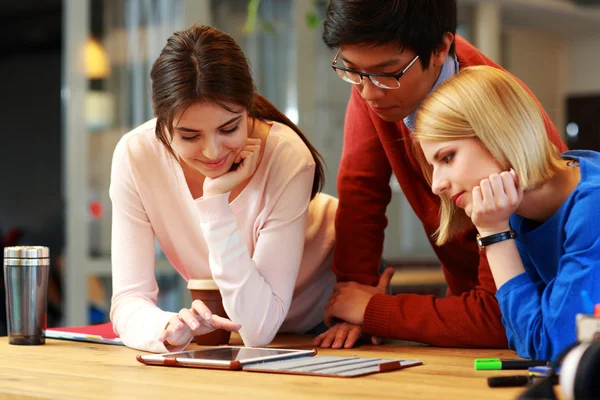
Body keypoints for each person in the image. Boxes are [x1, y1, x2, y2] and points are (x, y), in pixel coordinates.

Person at [315, 0, 567, 349]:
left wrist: (374, 310)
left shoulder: (499, 116)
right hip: (468, 308)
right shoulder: (377, 81)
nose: (368, 93)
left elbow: (504, 317)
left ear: (440, 48)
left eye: (387, 73)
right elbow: (361, 191)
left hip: (530, 318)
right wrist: (352, 298)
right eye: (353, 70)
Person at [109, 25, 337, 353]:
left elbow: (259, 329)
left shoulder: (286, 156)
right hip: (245, 335)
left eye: (229, 128)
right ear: (162, 122)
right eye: (189, 136)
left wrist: (215, 201)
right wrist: (166, 328)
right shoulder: (136, 155)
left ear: (247, 110)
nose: (213, 152)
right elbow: (129, 300)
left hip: (322, 320)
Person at [412, 65, 600, 361]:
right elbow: (520, 334)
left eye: (447, 157)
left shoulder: (593, 206)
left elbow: (556, 346)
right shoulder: (518, 213)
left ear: (499, 134)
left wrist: (494, 235)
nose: (437, 185)